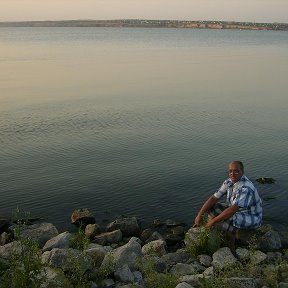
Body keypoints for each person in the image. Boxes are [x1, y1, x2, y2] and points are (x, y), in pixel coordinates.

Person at [194, 160, 262, 248]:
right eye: (230, 171)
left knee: (230, 217)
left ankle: (231, 247)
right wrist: (199, 215)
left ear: (242, 172)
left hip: (251, 217)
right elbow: (214, 198)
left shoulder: (246, 188)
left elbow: (233, 209)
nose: (232, 174)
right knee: (213, 206)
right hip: (237, 212)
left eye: (236, 171)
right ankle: (210, 232)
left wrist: (212, 221)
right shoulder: (229, 182)